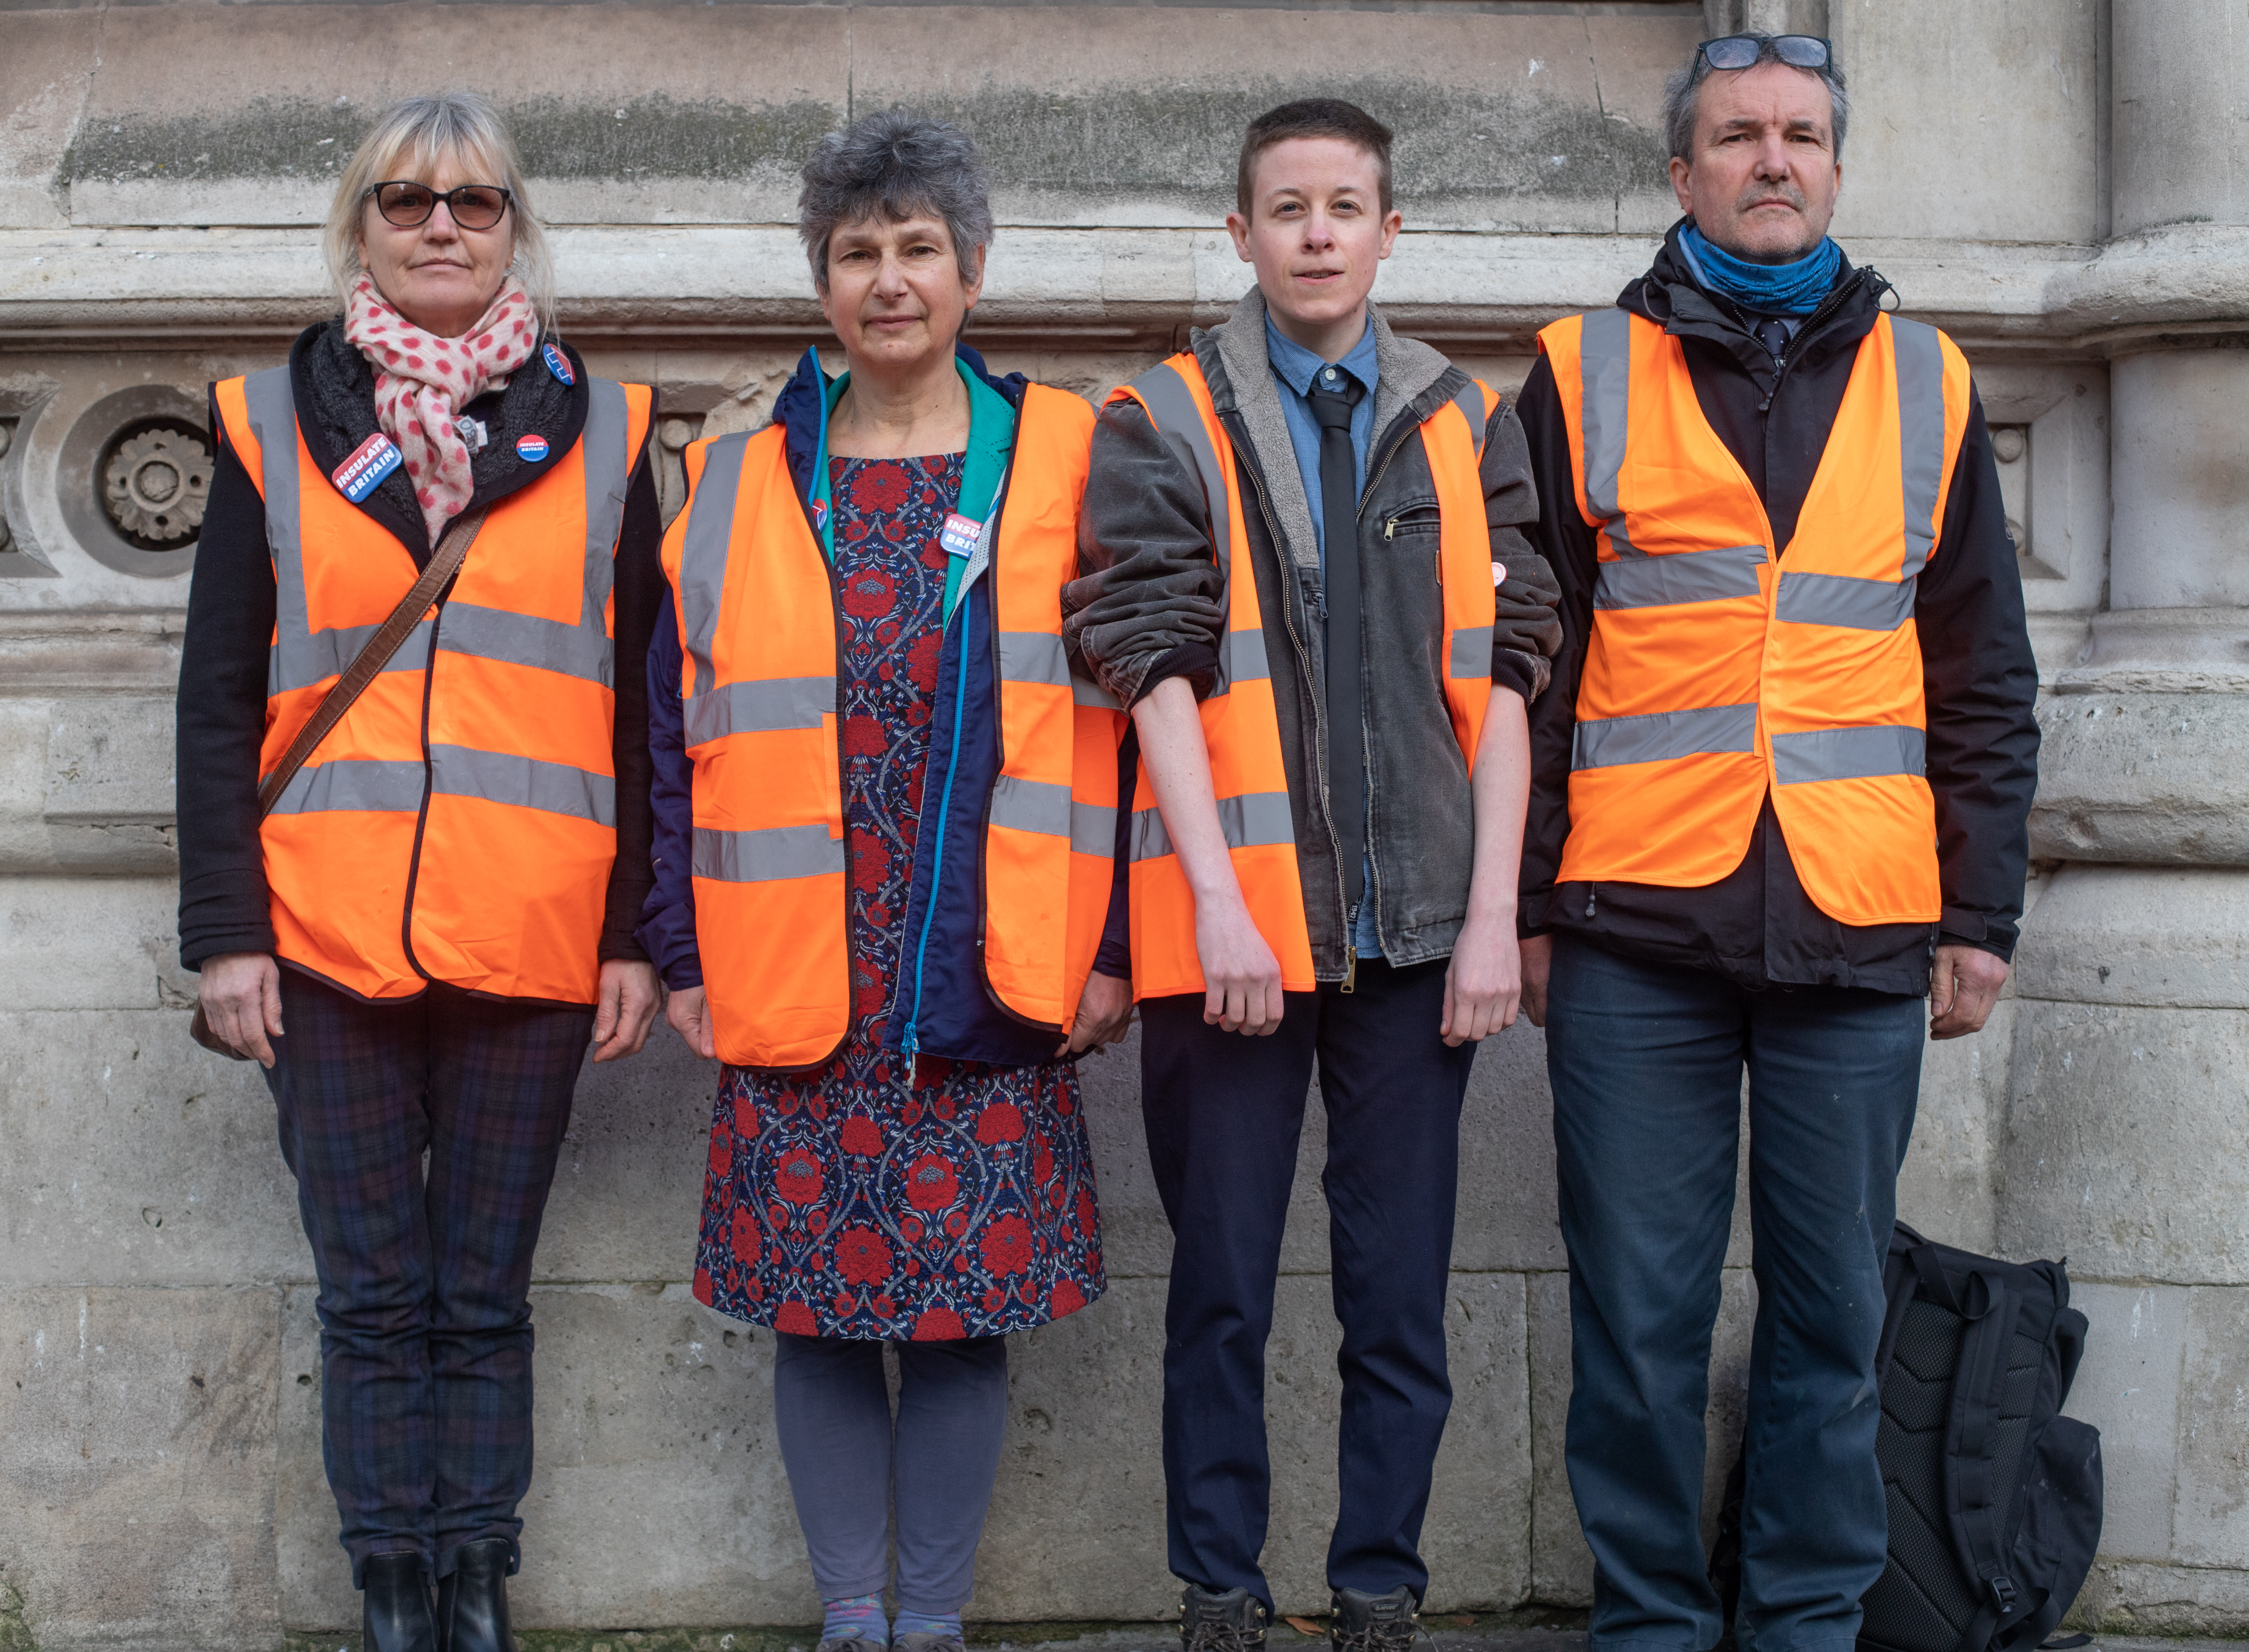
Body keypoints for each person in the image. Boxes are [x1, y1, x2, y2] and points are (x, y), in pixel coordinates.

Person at [1511, 33, 2040, 1652]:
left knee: (1832, 1319)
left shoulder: (1930, 381)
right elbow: (1524, 672)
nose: (1771, 159)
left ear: (1833, 167)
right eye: (1736, 134)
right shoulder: (1578, 371)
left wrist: (1979, 915)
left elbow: (1981, 671)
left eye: (1799, 134)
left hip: (1858, 917)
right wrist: (1524, 904)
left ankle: (1807, 1622)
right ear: (1681, 172)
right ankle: (1650, 1624)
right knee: (1637, 1322)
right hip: (1630, 927)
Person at [1067, 100, 1562, 1652]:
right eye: (1286, 208)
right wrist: (1217, 901)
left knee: (1395, 1288)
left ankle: (1378, 1588)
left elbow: (1510, 674)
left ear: (1389, 231)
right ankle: (1218, 1587)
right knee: (1219, 1283)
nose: (1317, 234)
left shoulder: (1465, 419)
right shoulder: (1160, 415)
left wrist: (1491, 919)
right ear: (1241, 233)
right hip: (1232, 937)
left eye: (1345, 206)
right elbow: (1145, 658)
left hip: (1416, 933)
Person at [639, 111, 1132, 1652]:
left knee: (963, 1308)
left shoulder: (1067, 455)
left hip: (992, 957)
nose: (890, 279)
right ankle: (853, 1616)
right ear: (823, 283)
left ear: (973, 271)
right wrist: (678, 951)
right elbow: (673, 726)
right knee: (818, 1311)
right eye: (858, 252)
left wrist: (1117, 944)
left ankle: (934, 1620)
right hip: (798, 960)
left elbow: (1133, 719)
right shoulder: (736, 472)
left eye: (920, 247)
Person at [176, 91, 663, 1652]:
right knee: (374, 1289)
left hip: (535, 930)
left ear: (515, 227)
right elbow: (217, 698)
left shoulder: (609, 430)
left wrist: (636, 937)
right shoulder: (270, 422)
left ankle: (477, 1574)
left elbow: (643, 709)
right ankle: (393, 1579)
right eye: (406, 199)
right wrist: (226, 933)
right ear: (361, 228)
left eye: (473, 200)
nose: (441, 224)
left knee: (483, 1290)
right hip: (323, 936)